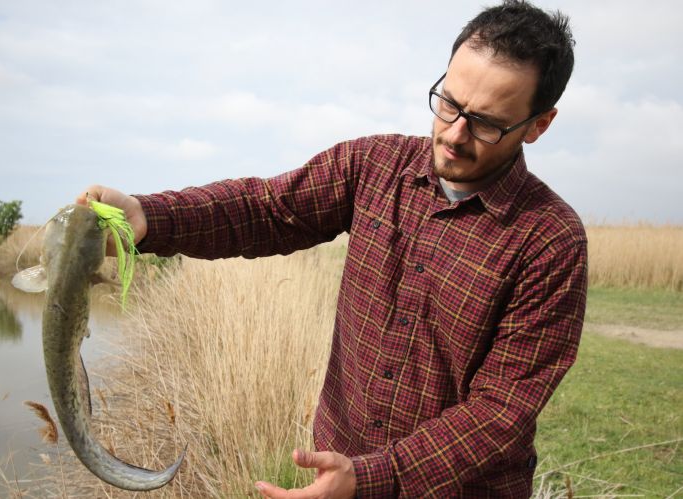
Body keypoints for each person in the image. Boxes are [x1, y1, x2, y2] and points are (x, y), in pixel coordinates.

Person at [78, 1, 586, 497]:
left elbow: (500, 412)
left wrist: (372, 478)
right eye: (449, 102)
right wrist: (148, 217)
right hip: (334, 472)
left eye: (487, 123)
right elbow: (266, 208)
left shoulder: (549, 241)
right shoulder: (374, 165)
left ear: (539, 124)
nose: (454, 133)